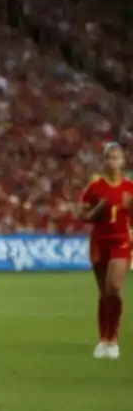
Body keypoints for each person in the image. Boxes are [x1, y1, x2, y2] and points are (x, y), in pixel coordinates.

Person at [80, 142, 133, 360]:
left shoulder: (130, 188)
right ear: (104, 161)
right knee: (104, 292)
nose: (113, 162)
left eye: (117, 158)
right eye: (109, 158)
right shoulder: (94, 188)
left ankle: (114, 338)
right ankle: (104, 339)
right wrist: (96, 211)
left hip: (120, 241)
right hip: (99, 242)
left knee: (113, 287)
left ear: (123, 161)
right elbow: (82, 216)